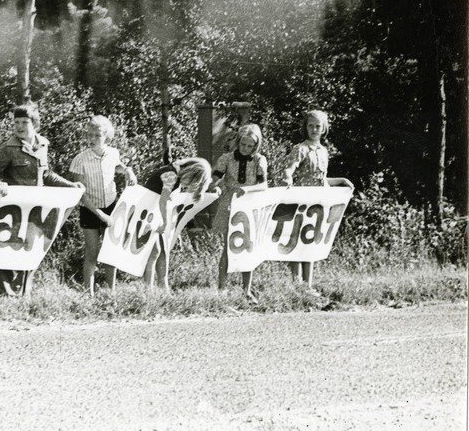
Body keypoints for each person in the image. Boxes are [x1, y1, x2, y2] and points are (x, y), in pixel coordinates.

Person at [0, 104, 85, 296]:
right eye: (16, 122)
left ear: (35, 124)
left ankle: (24, 293)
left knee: (31, 248)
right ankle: (6, 294)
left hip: (36, 208)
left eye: (25, 122)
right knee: (10, 248)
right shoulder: (9, 147)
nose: (19, 126)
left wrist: (70, 185)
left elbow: (46, 174)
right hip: (14, 210)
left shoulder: (42, 145)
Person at [282, 109, 353, 289]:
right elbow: (290, 168)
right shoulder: (301, 149)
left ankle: (308, 285)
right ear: (305, 127)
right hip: (302, 201)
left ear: (324, 129)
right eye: (310, 126)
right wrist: (288, 177)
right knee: (298, 240)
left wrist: (342, 181)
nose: (314, 129)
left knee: (311, 241)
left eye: (318, 126)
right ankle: (296, 284)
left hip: (319, 202)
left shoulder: (323, 151)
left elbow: (321, 179)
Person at [69, 115, 137, 296]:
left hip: (111, 205)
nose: (92, 139)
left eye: (96, 135)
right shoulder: (80, 159)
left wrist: (129, 171)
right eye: (89, 135)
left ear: (106, 136)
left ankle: (110, 292)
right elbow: (80, 194)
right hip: (90, 208)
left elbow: (119, 167)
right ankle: (88, 294)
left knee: (111, 251)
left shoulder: (113, 153)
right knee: (92, 253)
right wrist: (100, 214)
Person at [211, 124, 268, 302]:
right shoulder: (227, 159)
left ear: (255, 146)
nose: (245, 149)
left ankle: (246, 290)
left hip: (249, 205)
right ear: (238, 142)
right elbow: (214, 179)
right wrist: (218, 187)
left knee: (247, 247)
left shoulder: (259, 160)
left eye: (249, 146)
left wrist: (249, 189)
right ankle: (221, 288)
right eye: (243, 144)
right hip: (230, 203)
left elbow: (264, 185)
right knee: (228, 248)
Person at [142, 157, 214, 292]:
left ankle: (160, 287)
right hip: (148, 213)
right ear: (190, 173)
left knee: (159, 251)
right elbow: (163, 201)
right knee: (153, 252)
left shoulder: (175, 172)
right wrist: (165, 222)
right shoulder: (171, 175)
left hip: (153, 213)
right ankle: (148, 289)